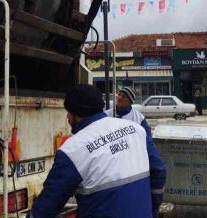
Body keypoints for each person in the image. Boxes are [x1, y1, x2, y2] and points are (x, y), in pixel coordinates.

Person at [30, 85, 167, 218]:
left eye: (68, 112)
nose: (67, 118)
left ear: (74, 114)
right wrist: (152, 207)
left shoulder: (72, 150)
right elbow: (159, 171)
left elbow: (48, 204)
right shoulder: (136, 130)